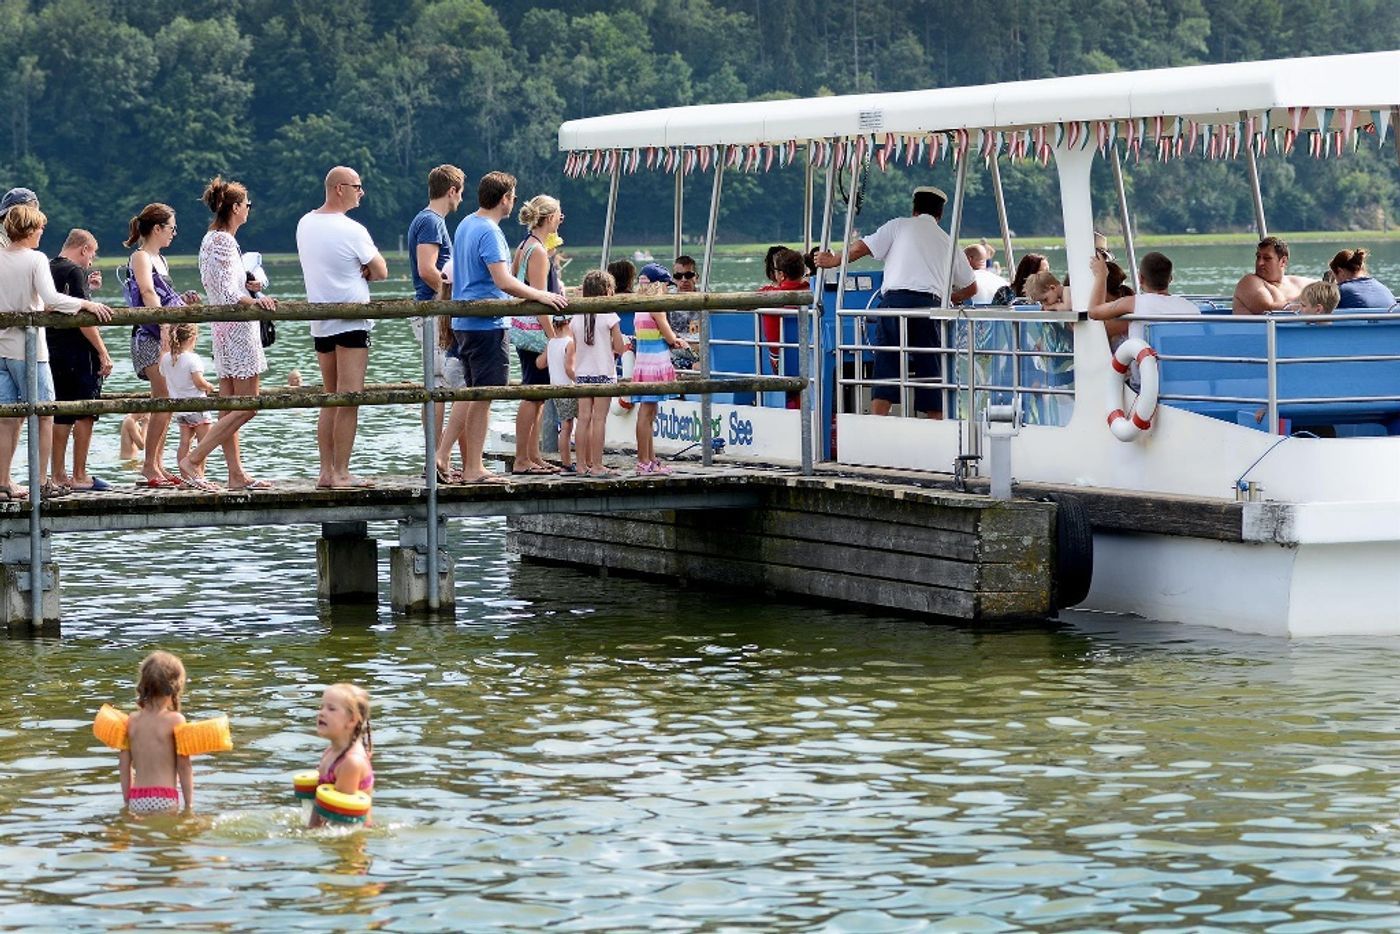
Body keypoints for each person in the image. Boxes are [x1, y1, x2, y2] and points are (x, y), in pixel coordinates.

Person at [435, 171, 566, 485]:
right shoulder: (490, 232)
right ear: (505, 198)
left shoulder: (466, 223)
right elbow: (503, 280)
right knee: (484, 397)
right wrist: (541, 294)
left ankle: (442, 455)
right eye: (513, 197)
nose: (514, 203)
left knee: (470, 393)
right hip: (487, 325)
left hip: (464, 322)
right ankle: (473, 468)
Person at [813, 186, 976, 418]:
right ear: (940, 214)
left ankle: (878, 419)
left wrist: (834, 260)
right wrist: (949, 297)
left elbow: (862, 247)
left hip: (894, 304)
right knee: (930, 366)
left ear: (914, 208)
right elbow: (971, 287)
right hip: (929, 308)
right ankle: (935, 422)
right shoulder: (948, 241)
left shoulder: (899, 225)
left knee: (887, 361)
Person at [0, 205, 113, 501]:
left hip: (1, 348)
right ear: (28, 230)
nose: (41, 233)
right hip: (29, 350)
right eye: (39, 229)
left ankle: (3, 482)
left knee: (8, 418)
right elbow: (50, 297)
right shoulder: (36, 259)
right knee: (45, 413)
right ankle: (40, 481)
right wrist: (86, 304)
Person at [296, 166, 388, 489]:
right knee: (349, 398)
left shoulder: (305, 224)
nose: (361, 192)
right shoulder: (353, 230)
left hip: (321, 322)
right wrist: (364, 269)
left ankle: (325, 471)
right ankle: (342, 472)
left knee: (330, 397)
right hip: (350, 320)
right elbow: (382, 270)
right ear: (339, 189)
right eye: (357, 186)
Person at [184, 176, 277, 490]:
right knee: (248, 404)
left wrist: (249, 286)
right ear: (235, 208)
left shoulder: (211, 238)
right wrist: (254, 300)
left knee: (229, 406)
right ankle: (194, 459)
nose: (249, 209)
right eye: (246, 204)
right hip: (237, 328)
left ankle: (235, 473)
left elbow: (223, 283)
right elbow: (225, 292)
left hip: (222, 329)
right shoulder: (223, 240)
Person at [125, 202, 199, 489]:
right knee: (163, 398)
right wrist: (165, 322)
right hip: (149, 336)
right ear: (157, 228)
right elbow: (147, 292)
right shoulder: (141, 257)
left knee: (166, 403)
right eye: (171, 228)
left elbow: (164, 294)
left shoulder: (160, 259)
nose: (174, 234)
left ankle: (156, 463)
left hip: (164, 335)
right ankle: (148, 467)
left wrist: (183, 300)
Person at [48, 229, 113, 492]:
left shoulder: (49, 267)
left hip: (53, 349)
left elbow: (67, 304)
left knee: (61, 413)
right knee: (86, 412)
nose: (91, 262)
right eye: (92, 255)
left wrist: (90, 290)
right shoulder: (75, 271)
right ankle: (80, 475)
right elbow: (84, 320)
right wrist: (103, 352)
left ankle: (58, 474)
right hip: (78, 351)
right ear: (84, 248)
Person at [407, 164, 465, 451]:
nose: (461, 200)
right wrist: (452, 299)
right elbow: (427, 270)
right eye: (460, 193)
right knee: (440, 386)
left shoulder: (427, 220)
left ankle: (437, 458)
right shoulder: (431, 222)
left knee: (439, 384)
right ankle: (437, 460)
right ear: (451, 191)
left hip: (432, 310)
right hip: (433, 310)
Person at [509, 194, 567, 475]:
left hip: (523, 330)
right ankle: (522, 459)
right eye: (558, 215)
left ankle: (533, 455)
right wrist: (552, 337)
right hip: (537, 334)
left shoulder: (525, 245)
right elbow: (541, 298)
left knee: (538, 395)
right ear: (548, 217)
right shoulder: (539, 253)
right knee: (532, 396)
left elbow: (513, 279)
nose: (561, 219)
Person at [120, 651, 194, 815]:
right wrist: (189, 806)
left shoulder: (131, 721)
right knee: (167, 840)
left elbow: (124, 765)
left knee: (142, 839)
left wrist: (127, 801)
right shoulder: (176, 720)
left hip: (137, 798)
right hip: (164, 797)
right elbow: (184, 766)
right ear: (175, 688)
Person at [631, 280, 690, 475]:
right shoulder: (657, 307)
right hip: (654, 365)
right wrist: (678, 341)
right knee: (646, 414)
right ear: (659, 285)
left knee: (649, 413)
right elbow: (669, 336)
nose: (668, 289)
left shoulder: (639, 306)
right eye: (667, 285)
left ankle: (650, 459)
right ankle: (643, 461)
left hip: (644, 363)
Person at [571, 270, 625, 478]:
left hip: (582, 373)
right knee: (599, 420)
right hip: (604, 372)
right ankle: (598, 465)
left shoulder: (576, 316)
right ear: (607, 291)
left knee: (583, 419)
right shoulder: (610, 315)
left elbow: (575, 346)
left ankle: (581, 465)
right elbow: (620, 347)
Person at [1089, 251, 1201, 341]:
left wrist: (1101, 275)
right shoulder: (1192, 308)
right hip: (1185, 366)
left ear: (1140, 278)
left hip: (1147, 368)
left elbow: (1094, 311)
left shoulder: (1133, 303)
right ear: (1170, 279)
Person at [311, 682, 374, 828]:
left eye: (331, 709)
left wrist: (309, 832)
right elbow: (319, 800)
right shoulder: (331, 751)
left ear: (352, 720)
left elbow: (341, 820)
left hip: (351, 843)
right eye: (322, 707)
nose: (321, 712)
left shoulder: (351, 763)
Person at [160, 323, 215, 485]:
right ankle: (200, 476)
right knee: (203, 445)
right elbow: (198, 382)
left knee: (184, 443)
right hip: (198, 407)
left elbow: (164, 375)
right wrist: (209, 386)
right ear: (192, 338)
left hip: (181, 409)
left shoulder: (166, 359)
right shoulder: (193, 358)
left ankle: (186, 477)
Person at [758, 248, 808, 403]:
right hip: (811, 360)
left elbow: (740, 305)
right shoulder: (813, 292)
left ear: (781, 274)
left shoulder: (767, 296)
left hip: (780, 364)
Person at [1233, 236, 1314, 314]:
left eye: (1267, 258)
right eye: (1258, 257)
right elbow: (1267, 308)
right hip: (1260, 327)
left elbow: (1323, 289)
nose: (1260, 263)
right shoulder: (1249, 282)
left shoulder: (1299, 283)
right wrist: (1306, 306)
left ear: (1283, 261)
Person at [541, 314, 577, 472]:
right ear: (568, 323)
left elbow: (541, 363)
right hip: (568, 388)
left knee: (564, 426)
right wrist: (581, 379)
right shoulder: (569, 344)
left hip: (555, 387)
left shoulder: (551, 342)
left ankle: (566, 462)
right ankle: (568, 462)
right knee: (568, 427)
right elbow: (569, 370)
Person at [1329, 249, 1396, 309]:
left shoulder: (1339, 291)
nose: (1336, 282)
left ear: (1340, 271)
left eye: (1335, 277)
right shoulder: (1383, 288)